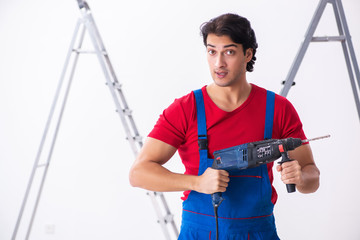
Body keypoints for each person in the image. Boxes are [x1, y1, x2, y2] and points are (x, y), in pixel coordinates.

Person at [129, 13, 320, 239]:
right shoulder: (186, 108)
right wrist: (197, 182)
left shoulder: (277, 108)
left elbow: (312, 177)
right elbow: (138, 173)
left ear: (247, 54)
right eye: (212, 51)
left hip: (258, 232)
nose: (219, 63)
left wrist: (300, 177)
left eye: (229, 52)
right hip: (198, 232)